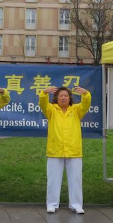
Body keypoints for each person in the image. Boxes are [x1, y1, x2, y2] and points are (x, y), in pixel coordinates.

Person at [39, 85, 91, 214]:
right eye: (61, 96)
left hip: (73, 150)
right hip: (55, 150)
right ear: (56, 98)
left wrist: (86, 94)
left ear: (70, 98)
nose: (63, 98)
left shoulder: (76, 110)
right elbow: (43, 103)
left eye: (66, 96)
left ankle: (76, 205)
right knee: (53, 180)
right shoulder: (51, 110)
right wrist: (44, 93)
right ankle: (51, 204)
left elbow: (85, 104)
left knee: (76, 180)